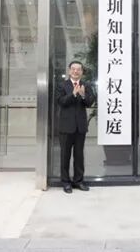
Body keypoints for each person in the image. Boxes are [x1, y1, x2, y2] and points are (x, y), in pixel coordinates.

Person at [56, 61, 95, 194]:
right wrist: (73, 94)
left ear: (82, 72)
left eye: (78, 69)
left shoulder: (86, 85)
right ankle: (66, 182)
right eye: (73, 69)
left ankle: (79, 181)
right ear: (69, 71)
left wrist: (83, 95)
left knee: (79, 156)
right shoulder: (62, 85)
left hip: (80, 127)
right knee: (65, 156)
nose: (76, 71)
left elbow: (90, 102)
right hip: (66, 127)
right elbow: (61, 102)